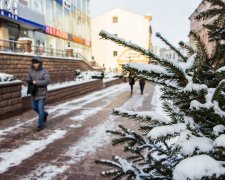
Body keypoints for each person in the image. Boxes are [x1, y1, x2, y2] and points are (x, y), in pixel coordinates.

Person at [27, 56, 50, 131]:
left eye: (37, 63)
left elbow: (47, 81)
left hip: (42, 93)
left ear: (40, 63)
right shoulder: (31, 71)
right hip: (34, 93)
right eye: (34, 63)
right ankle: (45, 114)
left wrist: (36, 82)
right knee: (34, 107)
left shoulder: (44, 71)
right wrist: (29, 83)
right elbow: (27, 79)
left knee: (40, 109)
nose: (35, 65)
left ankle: (40, 125)